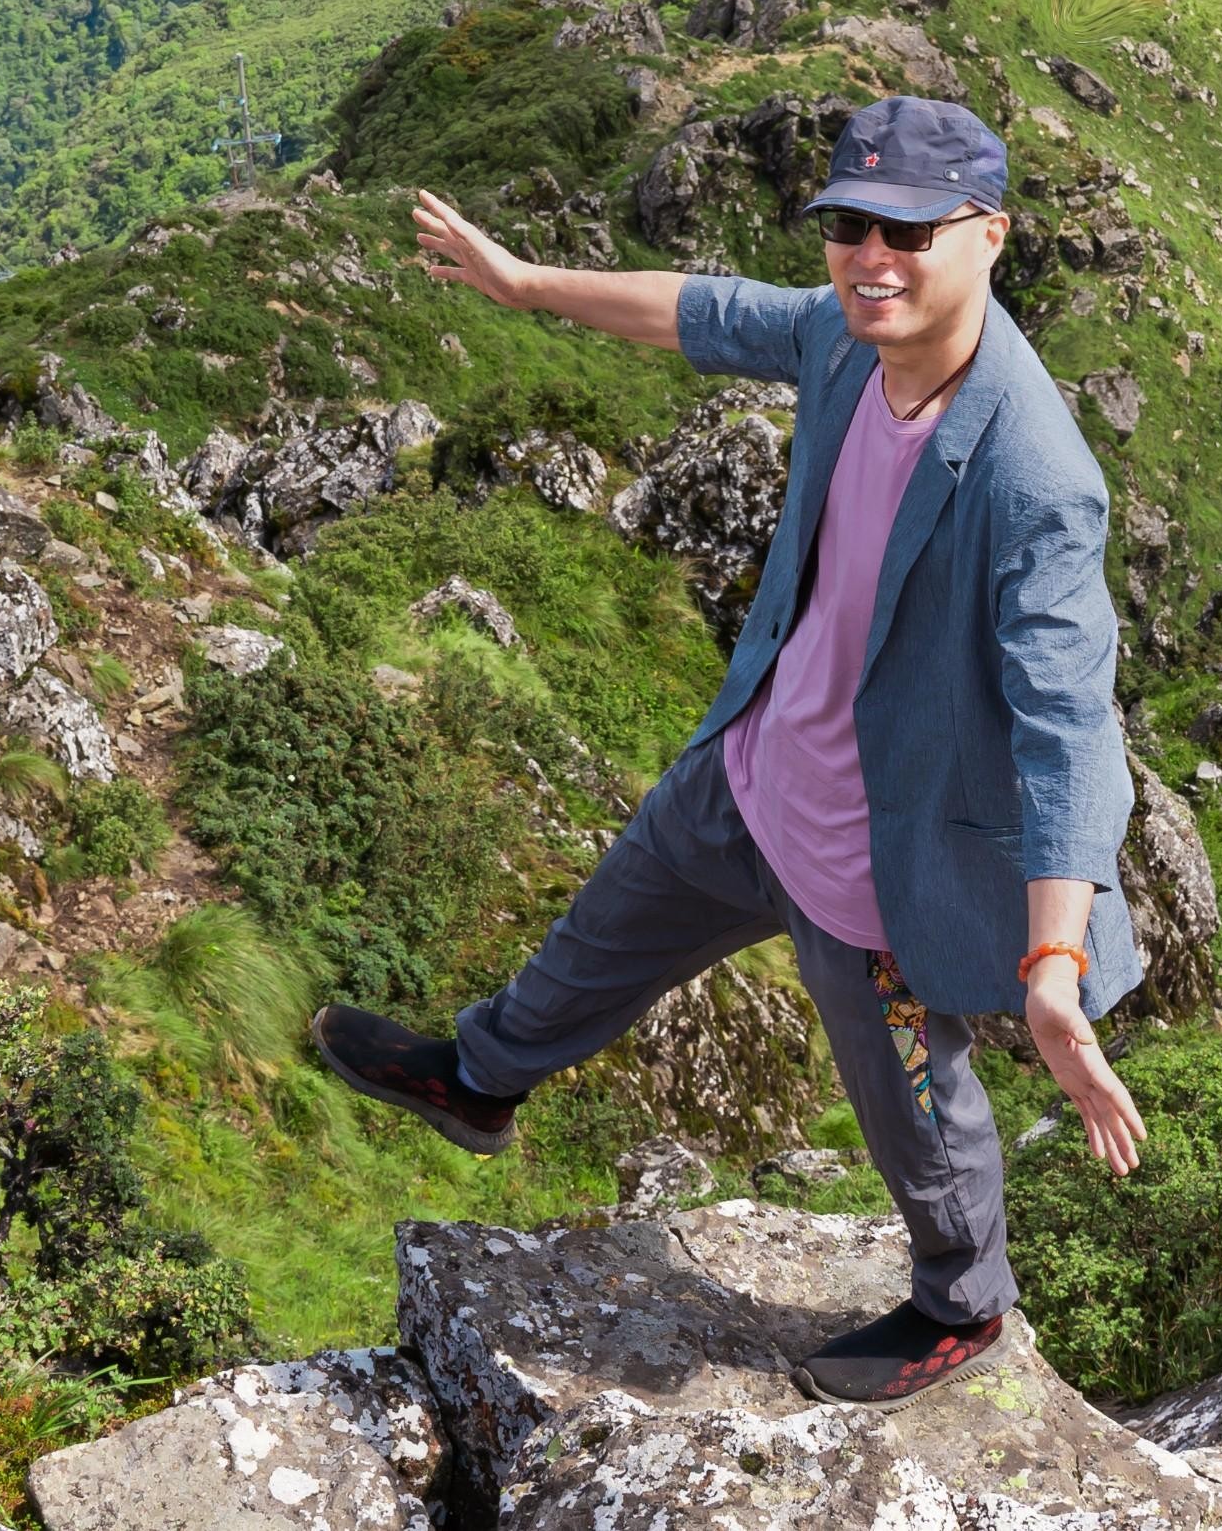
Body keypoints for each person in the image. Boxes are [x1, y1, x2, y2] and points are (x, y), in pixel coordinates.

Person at [309, 94, 1151, 1412]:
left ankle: (963, 1305)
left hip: (878, 864)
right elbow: (705, 311)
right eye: (848, 226)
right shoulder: (843, 338)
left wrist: (1052, 962)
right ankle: (481, 1078)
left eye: (907, 233)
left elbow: (1068, 726)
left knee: (916, 1119)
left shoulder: (1031, 475)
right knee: (598, 938)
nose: (870, 257)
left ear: (989, 237)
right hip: (757, 771)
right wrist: (525, 285)